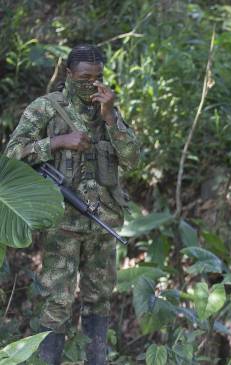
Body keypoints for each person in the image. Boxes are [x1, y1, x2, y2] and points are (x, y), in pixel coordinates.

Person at [4, 44, 139, 364]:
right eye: (83, 77)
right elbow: (10, 154)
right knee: (57, 302)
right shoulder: (46, 108)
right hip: (62, 222)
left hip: (103, 220)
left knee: (100, 301)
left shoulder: (108, 110)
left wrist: (110, 118)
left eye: (97, 77)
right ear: (68, 74)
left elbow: (133, 161)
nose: (90, 83)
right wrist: (57, 142)